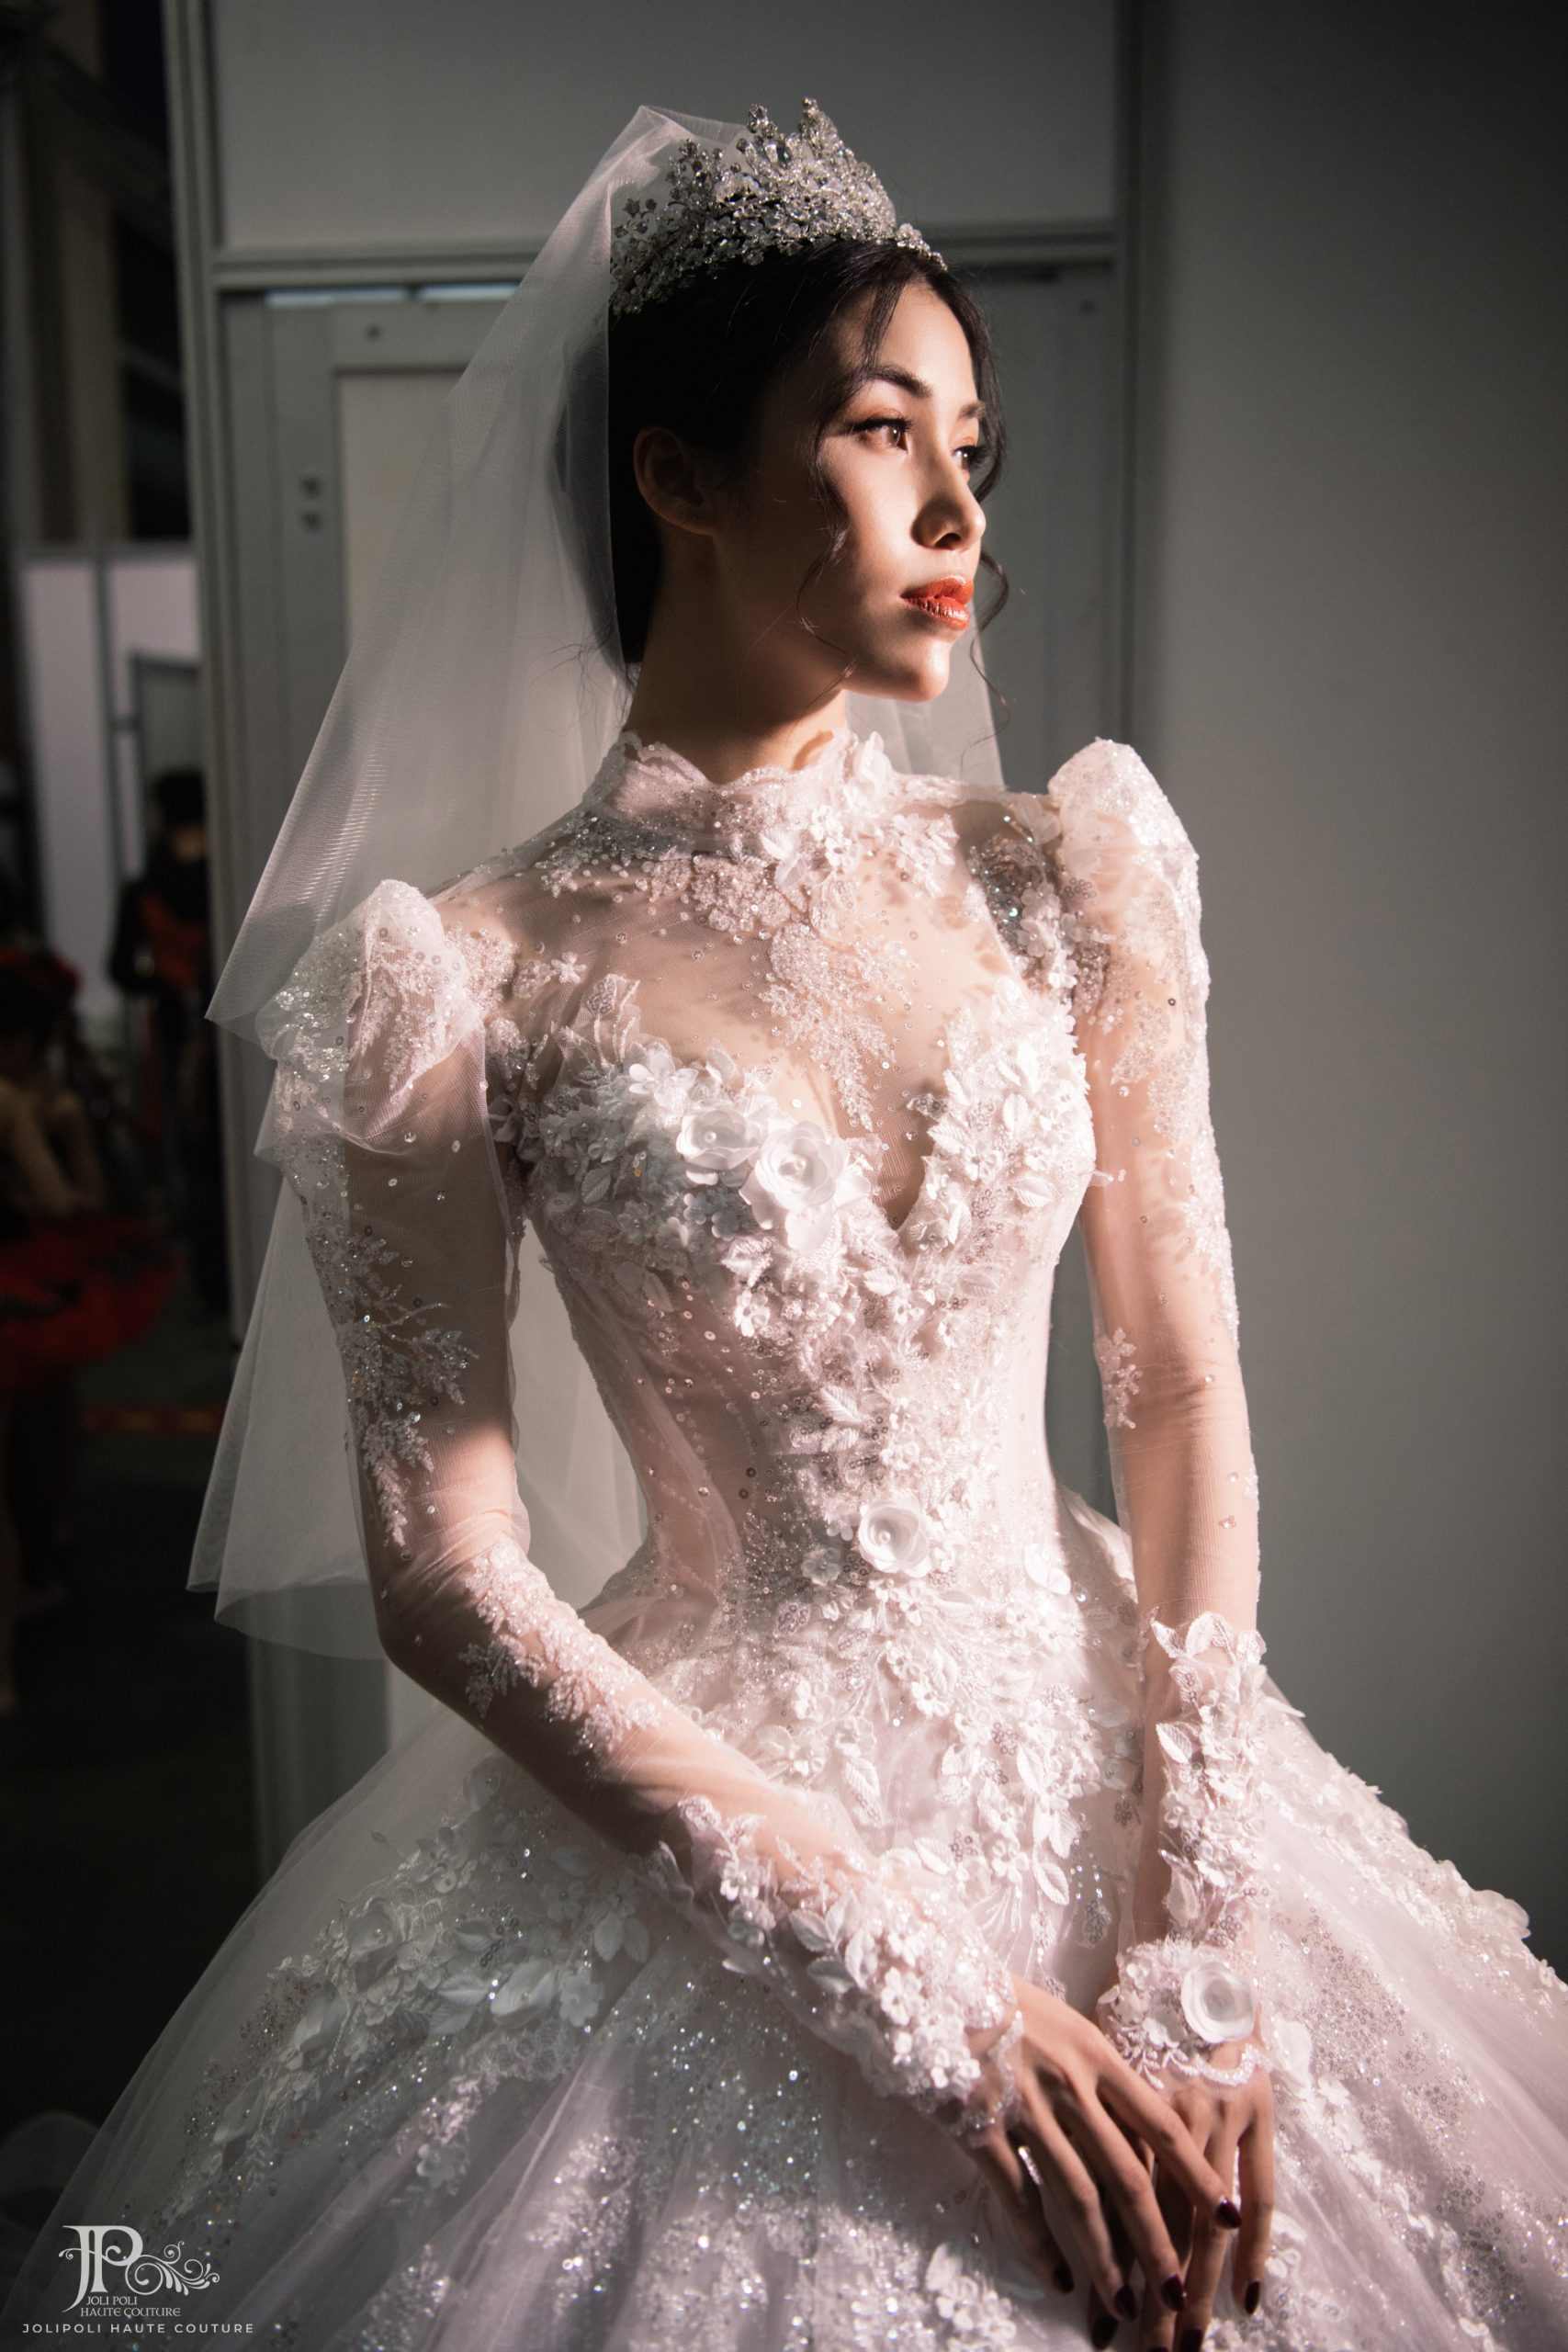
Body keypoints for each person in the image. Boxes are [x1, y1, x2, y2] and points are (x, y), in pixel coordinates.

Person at [3, 98, 1563, 2351]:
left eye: (970, 448)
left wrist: (1201, 1937)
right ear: (678, 476)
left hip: (1123, 1754)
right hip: (730, 1819)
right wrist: (905, 1971)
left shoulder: (1070, 873)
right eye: (878, 430)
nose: (955, 510)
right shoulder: (453, 976)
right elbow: (446, 1572)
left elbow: (1175, 1384)